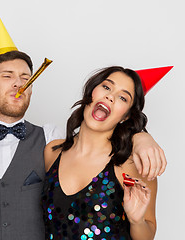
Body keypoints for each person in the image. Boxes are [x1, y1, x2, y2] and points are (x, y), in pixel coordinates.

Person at [0, 16, 166, 240]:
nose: (18, 84)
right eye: (7, 76)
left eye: (26, 78)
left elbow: (97, 140)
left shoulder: (51, 140)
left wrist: (142, 136)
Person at [43, 66, 162, 240]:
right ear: (91, 92)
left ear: (126, 116)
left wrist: (136, 221)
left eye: (122, 97)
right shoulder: (52, 152)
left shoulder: (133, 165)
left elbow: (147, 234)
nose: (110, 97)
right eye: (106, 87)